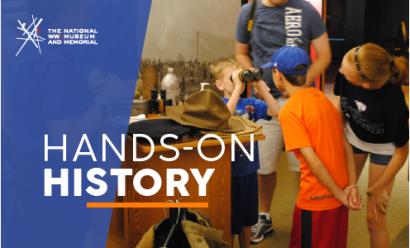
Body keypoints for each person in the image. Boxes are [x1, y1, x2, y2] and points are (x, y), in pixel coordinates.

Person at [235, 0, 331, 242]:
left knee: (303, 165)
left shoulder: (306, 10)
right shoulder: (250, 11)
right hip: (265, 101)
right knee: (263, 165)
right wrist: (257, 79)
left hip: (298, 102)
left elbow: (325, 56)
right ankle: (263, 216)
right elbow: (241, 52)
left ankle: (304, 215)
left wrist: (299, 83)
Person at [262, 46, 361, 248]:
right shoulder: (323, 99)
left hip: (316, 200)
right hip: (339, 194)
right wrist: (351, 186)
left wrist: (339, 193)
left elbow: (312, 160)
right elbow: (346, 146)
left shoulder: (290, 111)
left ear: (277, 74)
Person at [335, 42, 409, 248]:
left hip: (385, 149)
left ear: (365, 83)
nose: (340, 71)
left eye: (345, 71)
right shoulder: (346, 73)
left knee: (375, 219)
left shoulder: (393, 101)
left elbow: (402, 151)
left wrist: (379, 187)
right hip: (354, 139)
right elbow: (341, 112)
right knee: (339, 200)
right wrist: (350, 182)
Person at [209, 58, 279, 248]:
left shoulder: (251, 104)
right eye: (232, 78)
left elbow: (275, 111)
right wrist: (238, 89)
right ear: (219, 84)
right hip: (227, 173)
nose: (237, 81)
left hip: (248, 170)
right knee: (230, 219)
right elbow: (224, 118)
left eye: (240, 77)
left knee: (248, 218)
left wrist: (261, 86)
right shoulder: (216, 105)